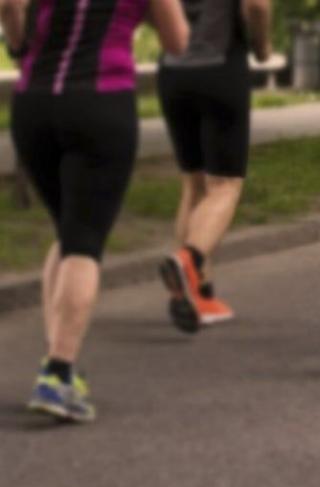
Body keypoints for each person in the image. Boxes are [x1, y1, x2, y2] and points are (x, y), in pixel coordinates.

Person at [1, 0, 189, 422]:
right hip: (101, 104)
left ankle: (57, 357)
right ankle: (59, 372)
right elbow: (177, 42)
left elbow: (11, 11)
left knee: (69, 233)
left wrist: (17, 38)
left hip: (34, 106)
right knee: (84, 240)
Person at [158, 0, 272, 334]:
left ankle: (195, 295)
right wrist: (262, 47)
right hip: (220, 69)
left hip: (174, 72)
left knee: (193, 183)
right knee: (225, 185)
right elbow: (257, 6)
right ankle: (189, 261)